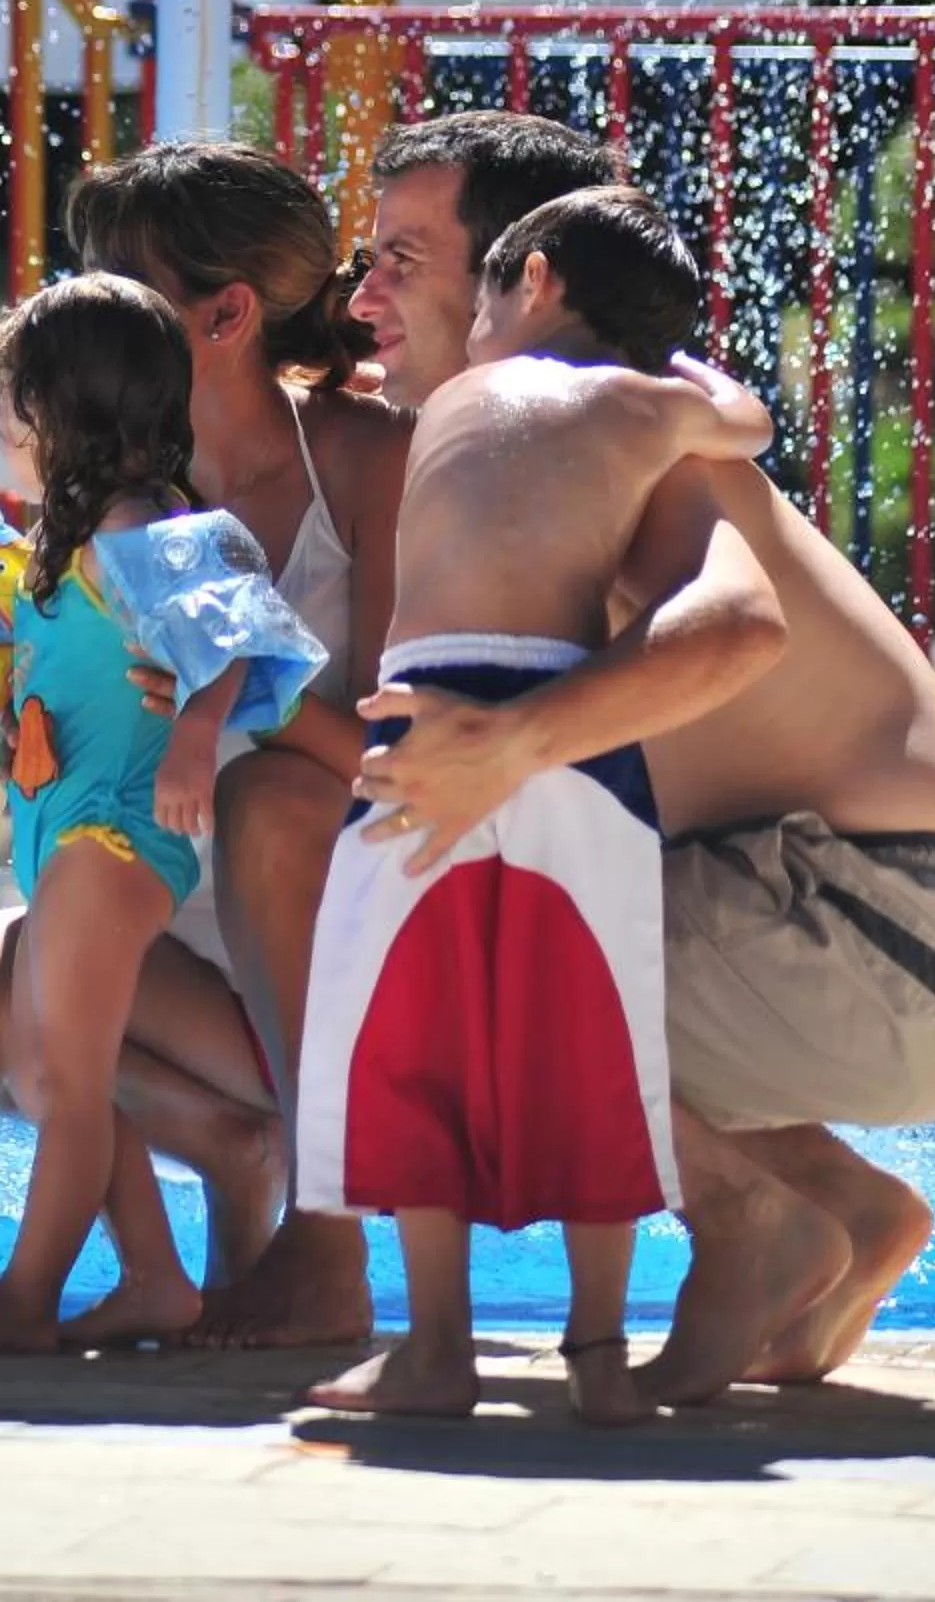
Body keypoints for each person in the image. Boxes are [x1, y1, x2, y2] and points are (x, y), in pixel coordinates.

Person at [349, 111, 935, 1403]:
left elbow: (735, 629)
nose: (364, 293)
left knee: (466, 949)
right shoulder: (574, 434)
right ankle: (840, 1207)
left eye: (401, 257)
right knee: (467, 887)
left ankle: (744, 1218)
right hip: (883, 942)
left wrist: (509, 745)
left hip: (877, 932)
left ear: (527, 277)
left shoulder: (626, 440)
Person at [0, 145, 409, 1333]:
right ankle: (229, 1158)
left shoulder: (363, 460)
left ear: (224, 315)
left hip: (307, 926)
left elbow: (385, 756)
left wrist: (227, 696)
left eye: (116, 277)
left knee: (268, 800)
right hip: (150, 910)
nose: (76, 305)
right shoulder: (76, 492)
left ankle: (323, 1229)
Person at [297, 187, 775, 1422]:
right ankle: (599, 1355)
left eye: (492, 293)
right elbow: (751, 420)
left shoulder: (443, 394)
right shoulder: (651, 410)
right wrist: (666, 363)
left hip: (424, 712)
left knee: (406, 1036)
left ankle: (437, 1346)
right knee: (595, 1039)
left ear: (537, 281)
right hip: (573, 716)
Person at [0, 273, 325, 1351]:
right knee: (60, 1073)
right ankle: (151, 1279)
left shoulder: (153, 533)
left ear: (52, 411)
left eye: (9, 403)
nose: (1, 427)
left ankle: (26, 1295)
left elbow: (234, 645)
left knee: (67, 1075)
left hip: (115, 836)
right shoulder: (45, 546)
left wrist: (194, 739)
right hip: (70, 844)